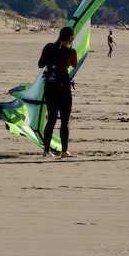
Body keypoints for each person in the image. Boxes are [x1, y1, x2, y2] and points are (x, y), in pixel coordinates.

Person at [37, 26, 78, 158]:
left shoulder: (49, 47)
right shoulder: (71, 52)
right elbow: (74, 65)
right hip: (63, 89)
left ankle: (46, 151)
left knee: (51, 120)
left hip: (50, 87)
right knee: (64, 120)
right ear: (71, 38)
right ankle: (64, 151)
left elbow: (41, 64)